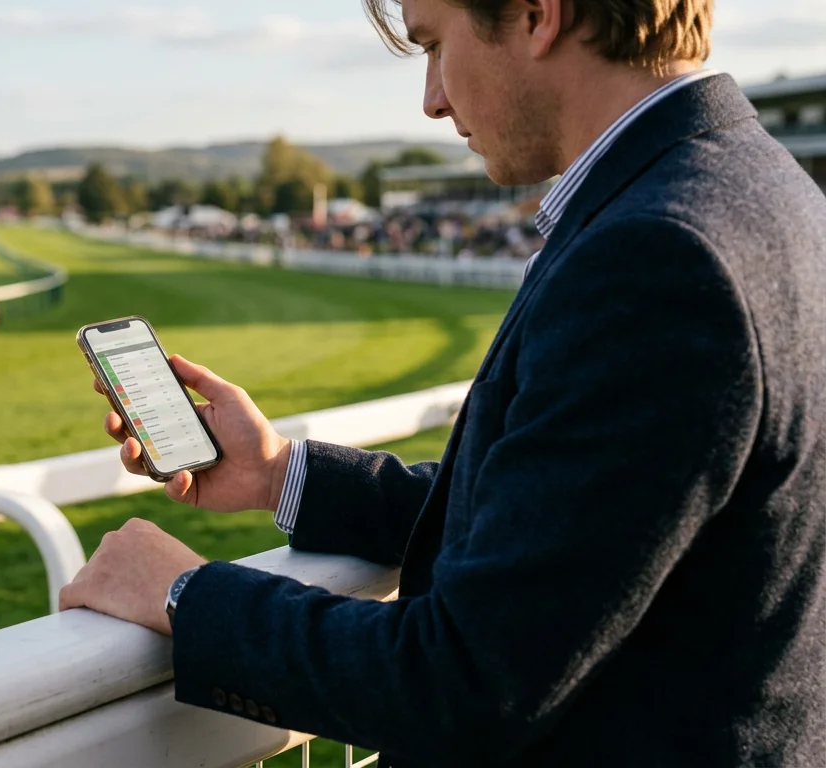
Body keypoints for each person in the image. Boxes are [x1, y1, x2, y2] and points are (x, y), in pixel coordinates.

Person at [58, 0, 826, 765]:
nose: (431, 98)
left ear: (536, 15)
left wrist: (185, 595)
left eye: (433, 44)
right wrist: (278, 473)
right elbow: (567, 523)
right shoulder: (762, 188)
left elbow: (461, 684)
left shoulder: (659, 251)